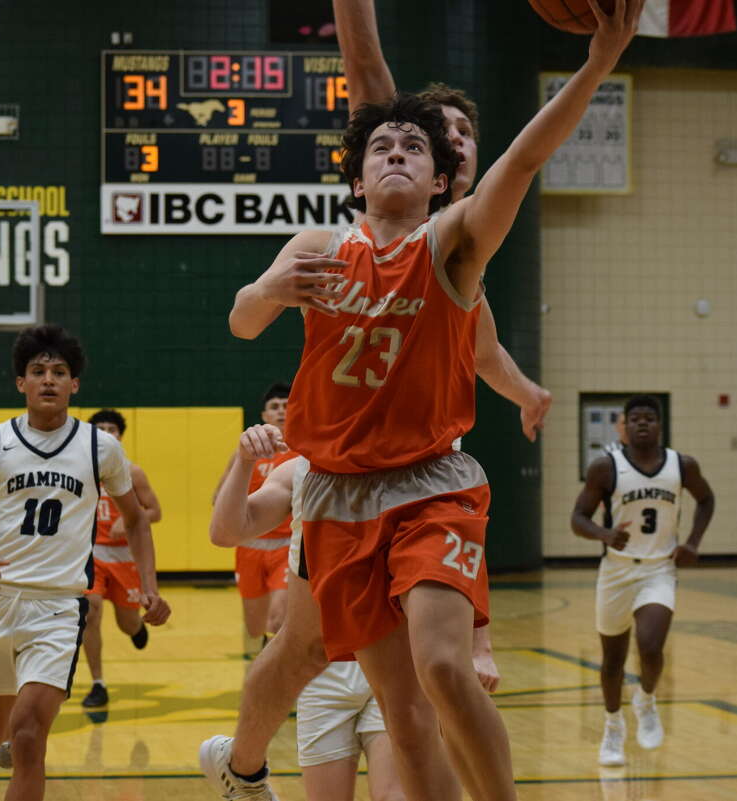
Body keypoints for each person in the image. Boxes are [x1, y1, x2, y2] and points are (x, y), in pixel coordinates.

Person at [199, 0, 583, 796]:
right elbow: (241, 319)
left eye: (424, 142)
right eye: (386, 143)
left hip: (424, 479)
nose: (402, 149)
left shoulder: (454, 246)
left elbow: (482, 338)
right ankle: (240, 767)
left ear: (447, 173)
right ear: (356, 173)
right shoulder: (323, 248)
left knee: (430, 681)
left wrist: (524, 389)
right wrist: (267, 286)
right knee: (345, 681)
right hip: (337, 490)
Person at [0, 324, 171, 801]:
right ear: (20, 383)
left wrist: (149, 586)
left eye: (59, 372)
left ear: (75, 385)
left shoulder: (99, 447)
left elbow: (136, 519)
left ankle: (23, 735)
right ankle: (1, 731)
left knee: (28, 737)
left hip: (61, 608)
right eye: (38, 371)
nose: (49, 379)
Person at [210, 422, 405, 801]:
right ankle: (241, 766)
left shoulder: (414, 466)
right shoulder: (299, 468)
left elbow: (465, 551)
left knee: (393, 796)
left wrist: (478, 647)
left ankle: (241, 765)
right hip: (321, 670)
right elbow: (225, 532)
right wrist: (244, 460)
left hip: (392, 660)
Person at [570, 395, 715, 767]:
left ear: (660, 425)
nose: (643, 424)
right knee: (612, 661)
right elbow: (578, 518)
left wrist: (693, 543)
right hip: (616, 571)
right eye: (635, 419)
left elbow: (707, 500)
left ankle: (646, 700)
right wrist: (603, 536)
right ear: (625, 426)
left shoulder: (682, 465)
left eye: (650, 418)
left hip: (659, 569)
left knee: (651, 648)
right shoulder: (606, 467)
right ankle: (613, 726)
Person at [80, 408, 163, 709]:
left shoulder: (132, 472)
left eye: (111, 429)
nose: (105, 433)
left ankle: (136, 630)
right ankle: (97, 683)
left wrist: (129, 519)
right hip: (91, 555)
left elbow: (156, 511)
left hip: (125, 557)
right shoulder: (81, 469)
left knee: (127, 622)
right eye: (99, 428)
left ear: (120, 436)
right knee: (90, 608)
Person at [212, 383, 299, 655]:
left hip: (286, 545)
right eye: (275, 407)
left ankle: (280, 679)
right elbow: (218, 500)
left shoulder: (303, 452)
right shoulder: (247, 454)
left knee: (278, 618)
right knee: (255, 626)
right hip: (250, 546)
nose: (281, 411)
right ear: (264, 416)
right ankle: (263, 658)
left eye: (286, 405)